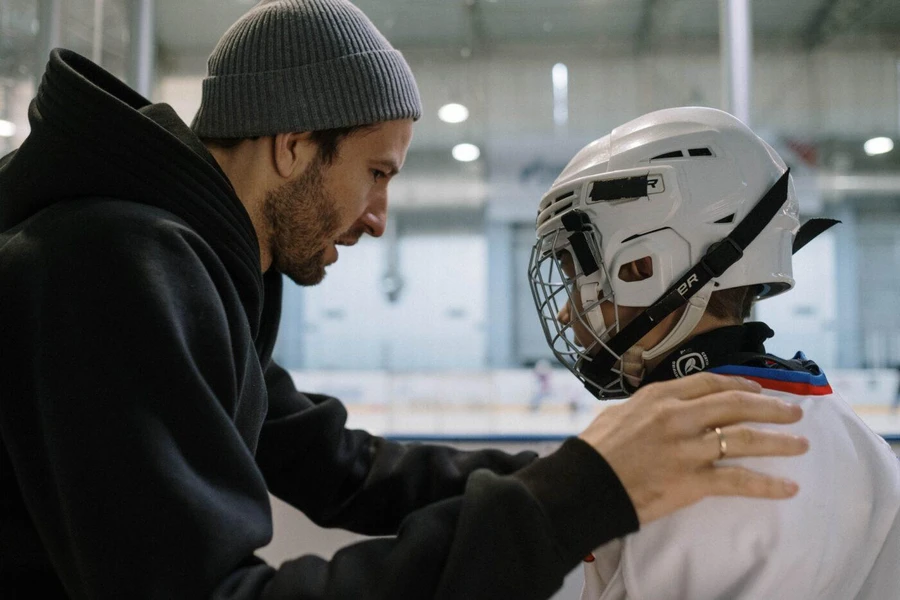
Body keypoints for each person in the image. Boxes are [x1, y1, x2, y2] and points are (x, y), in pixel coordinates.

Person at [0, 2, 809, 598]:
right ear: (293, 146)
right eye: (377, 173)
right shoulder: (111, 268)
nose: (380, 218)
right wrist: (572, 500)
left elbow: (341, 469)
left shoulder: (193, 266)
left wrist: (577, 471)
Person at [528, 106, 900, 599]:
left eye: (575, 270)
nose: (565, 313)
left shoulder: (675, 469)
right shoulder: (863, 443)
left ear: (642, 268)